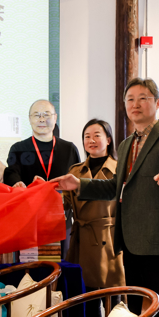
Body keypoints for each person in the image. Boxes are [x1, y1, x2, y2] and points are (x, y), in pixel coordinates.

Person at [56, 78, 159, 317]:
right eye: (130, 99)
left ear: (157, 103)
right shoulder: (126, 145)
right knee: (132, 312)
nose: (135, 104)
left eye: (143, 98)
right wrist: (79, 184)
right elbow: (114, 187)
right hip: (130, 241)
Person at [63, 119, 125, 292]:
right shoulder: (75, 171)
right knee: (85, 294)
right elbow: (65, 203)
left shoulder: (120, 169)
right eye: (87, 136)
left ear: (108, 140)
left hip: (110, 240)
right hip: (81, 238)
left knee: (113, 294)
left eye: (97, 135)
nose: (91, 140)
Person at [4, 100, 81, 188]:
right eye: (37, 115)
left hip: (61, 197)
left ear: (55, 118)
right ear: (30, 119)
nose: (42, 120)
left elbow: (78, 180)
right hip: (30, 196)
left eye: (46, 115)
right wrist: (17, 184)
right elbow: (12, 176)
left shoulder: (69, 149)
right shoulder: (18, 149)